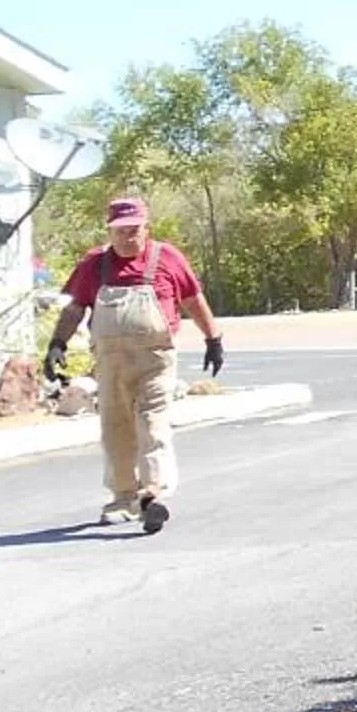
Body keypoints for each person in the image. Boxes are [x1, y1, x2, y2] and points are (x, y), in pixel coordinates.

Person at [43, 195, 223, 533]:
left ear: (146, 228)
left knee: (153, 423)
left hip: (155, 360)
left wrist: (213, 339)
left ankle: (152, 494)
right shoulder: (94, 264)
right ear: (110, 232)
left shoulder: (167, 257)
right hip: (110, 362)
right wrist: (57, 344)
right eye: (121, 230)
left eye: (134, 229)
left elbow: (192, 299)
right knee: (116, 429)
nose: (129, 236)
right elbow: (75, 309)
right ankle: (122, 498)